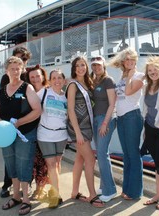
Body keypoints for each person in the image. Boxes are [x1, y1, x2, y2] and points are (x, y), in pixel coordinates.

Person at [0, 56, 41, 215]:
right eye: (12, 68)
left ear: (22, 70)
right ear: (7, 71)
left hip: (25, 133)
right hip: (7, 136)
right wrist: (4, 126)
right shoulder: (1, 92)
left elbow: (37, 111)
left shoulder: (27, 88)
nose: (15, 71)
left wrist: (18, 123)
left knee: (24, 164)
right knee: (11, 164)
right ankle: (16, 196)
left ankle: (26, 199)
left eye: (18, 68)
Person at [66, 56, 104, 208]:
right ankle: (93, 195)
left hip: (87, 126)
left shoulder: (87, 83)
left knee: (80, 159)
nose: (81, 68)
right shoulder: (73, 85)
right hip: (78, 128)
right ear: (74, 69)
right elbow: (70, 110)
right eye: (78, 66)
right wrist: (78, 133)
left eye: (83, 65)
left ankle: (74, 192)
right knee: (90, 159)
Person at [109, 47, 144, 200]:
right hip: (122, 118)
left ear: (135, 61)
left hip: (132, 117)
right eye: (127, 59)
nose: (130, 61)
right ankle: (127, 189)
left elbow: (129, 92)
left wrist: (129, 76)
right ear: (123, 62)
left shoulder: (139, 76)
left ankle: (135, 192)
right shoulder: (122, 78)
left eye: (132, 59)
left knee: (134, 154)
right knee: (127, 155)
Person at [0, 46, 32, 198]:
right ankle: (7, 184)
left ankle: (27, 186)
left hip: (27, 124)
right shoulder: (6, 77)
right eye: (19, 58)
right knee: (10, 158)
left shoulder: (30, 75)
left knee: (24, 159)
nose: (22, 62)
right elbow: (3, 99)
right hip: (9, 125)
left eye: (24, 59)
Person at [37, 69, 68, 208]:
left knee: (57, 163)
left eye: (59, 78)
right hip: (45, 134)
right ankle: (55, 195)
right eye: (54, 78)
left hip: (62, 135)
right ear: (49, 80)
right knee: (51, 164)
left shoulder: (67, 96)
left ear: (64, 80)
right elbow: (30, 104)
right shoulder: (43, 93)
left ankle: (54, 188)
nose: (57, 81)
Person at [140, 57, 159, 209]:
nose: (152, 72)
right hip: (149, 127)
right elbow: (145, 109)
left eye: (155, 69)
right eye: (150, 70)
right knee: (157, 162)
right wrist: (145, 130)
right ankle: (158, 194)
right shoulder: (146, 86)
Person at [90, 56, 117, 202]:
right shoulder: (93, 81)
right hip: (95, 119)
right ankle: (103, 185)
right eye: (93, 65)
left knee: (101, 154)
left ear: (103, 66)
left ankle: (110, 190)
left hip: (105, 119)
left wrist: (105, 123)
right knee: (101, 153)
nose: (96, 68)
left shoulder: (108, 81)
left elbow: (112, 104)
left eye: (98, 65)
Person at [25, 64, 49, 201]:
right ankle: (28, 188)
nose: (35, 79)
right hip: (31, 132)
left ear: (43, 76)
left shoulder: (49, 91)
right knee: (31, 162)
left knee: (43, 163)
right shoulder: (28, 92)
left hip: (45, 133)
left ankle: (40, 190)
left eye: (37, 76)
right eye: (32, 77)